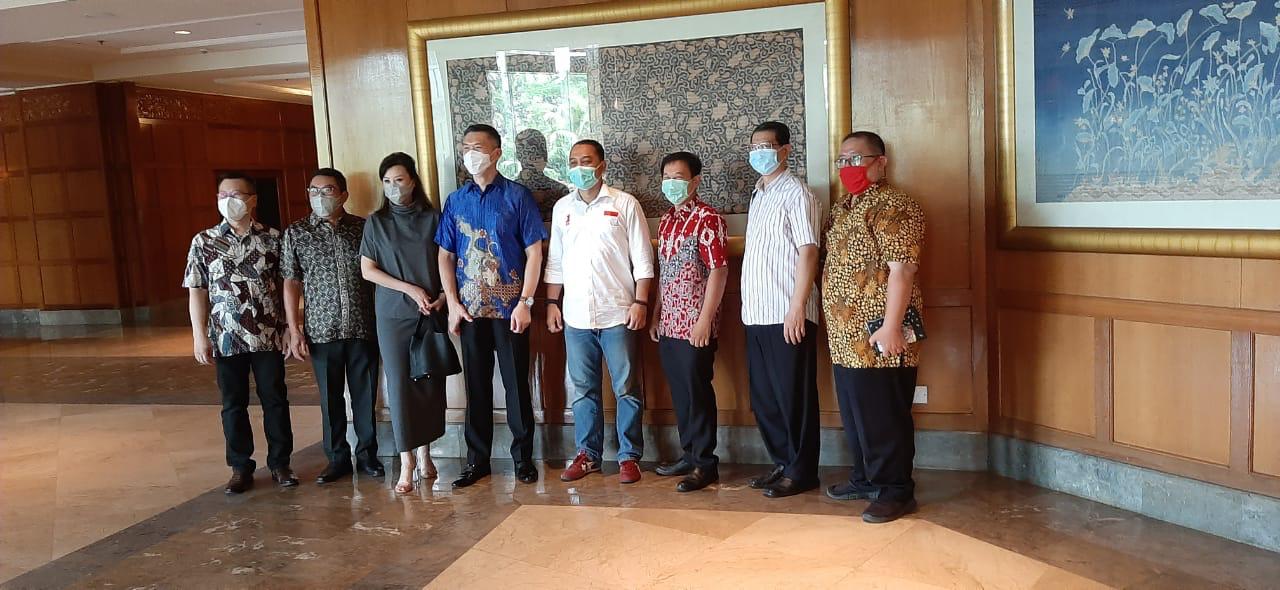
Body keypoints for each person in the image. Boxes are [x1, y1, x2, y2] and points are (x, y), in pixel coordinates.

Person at [823, 131, 926, 523]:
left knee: (884, 417)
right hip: (845, 336)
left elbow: (903, 270)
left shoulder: (896, 205)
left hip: (881, 333)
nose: (847, 167)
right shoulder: (844, 208)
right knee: (857, 415)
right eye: (842, 160)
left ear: (880, 161)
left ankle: (896, 490)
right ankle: (866, 478)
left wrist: (892, 326)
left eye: (856, 158)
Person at [437, 123, 547, 488]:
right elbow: (445, 255)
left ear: (496, 153)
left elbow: (534, 253)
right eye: (466, 147)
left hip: (510, 309)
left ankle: (523, 459)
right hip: (470, 311)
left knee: (516, 386)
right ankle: (477, 460)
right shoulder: (456, 200)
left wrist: (526, 301)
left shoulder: (517, 196)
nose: (471, 154)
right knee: (477, 387)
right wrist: (453, 303)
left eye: (478, 147)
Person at [546, 139, 655, 485]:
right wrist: (551, 303)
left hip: (618, 313)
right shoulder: (562, 208)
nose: (579, 168)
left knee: (626, 388)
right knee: (583, 391)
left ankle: (629, 456)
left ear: (602, 166)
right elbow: (555, 262)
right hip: (575, 316)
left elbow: (643, 259)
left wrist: (641, 302)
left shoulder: (624, 204)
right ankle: (588, 455)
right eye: (573, 161)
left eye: (586, 161)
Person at [184, 171, 297, 494]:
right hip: (225, 337)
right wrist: (199, 336)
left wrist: (290, 327)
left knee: (274, 400)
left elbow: (287, 286)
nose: (229, 201)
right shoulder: (204, 241)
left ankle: (280, 463)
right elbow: (197, 291)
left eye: (236, 195)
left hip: (267, 334)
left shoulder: (273, 239)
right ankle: (239, 467)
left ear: (252, 200)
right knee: (233, 404)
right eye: (223, 196)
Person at [281, 168, 383, 484]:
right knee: (330, 399)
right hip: (321, 331)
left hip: (363, 326)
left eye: (327, 190)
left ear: (343, 195)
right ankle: (337, 458)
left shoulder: (363, 229)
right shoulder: (297, 233)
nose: (320, 197)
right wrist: (294, 329)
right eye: (313, 191)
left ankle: (367, 455)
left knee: (365, 396)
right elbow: (291, 282)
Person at [740, 120, 822, 498]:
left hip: (788, 313)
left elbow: (809, 251)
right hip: (757, 313)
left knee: (793, 397)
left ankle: (802, 471)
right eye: (754, 147)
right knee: (765, 398)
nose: (759, 153)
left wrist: (797, 307)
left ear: (785, 150)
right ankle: (784, 462)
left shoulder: (797, 193)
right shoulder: (758, 194)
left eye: (767, 146)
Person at [360, 152, 448, 494]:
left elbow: (449, 262)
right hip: (393, 314)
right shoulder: (376, 222)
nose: (394, 187)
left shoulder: (434, 217)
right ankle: (406, 460)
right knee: (398, 385)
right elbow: (368, 270)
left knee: (427, 383)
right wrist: (409, 288)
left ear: (413, 180)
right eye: (387, 182)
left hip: (430, 312)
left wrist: (444, 296)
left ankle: (426, 454)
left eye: (399, 180)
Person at [649, 151, 728, 493]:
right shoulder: (666, 221)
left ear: (695, 181)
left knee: (698, 393)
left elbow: (719, 271)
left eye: (678, 177)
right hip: (669, 322)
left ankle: (705, 464)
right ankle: (689, 454)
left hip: (696, 323)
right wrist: (656, 313)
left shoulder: (709, 219)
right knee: (681, 393)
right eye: (667, 177)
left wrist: (705, 320)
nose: (672, 183)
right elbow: (664, 274)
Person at [513, 128, 570, 221]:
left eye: (539, 154)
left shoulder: (560, 190)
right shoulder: (509, 193)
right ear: (519, 156)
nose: (534, 160)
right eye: (530, 155)